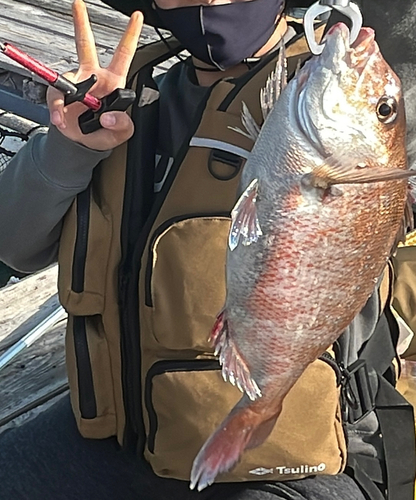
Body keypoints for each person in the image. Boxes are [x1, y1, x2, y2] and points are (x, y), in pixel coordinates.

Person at [0, 0, 414, 499]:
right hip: (127, 432)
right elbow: (13, 246)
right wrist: (69, 147)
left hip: (303, 462)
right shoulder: (129, 93)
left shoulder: (327, 80)